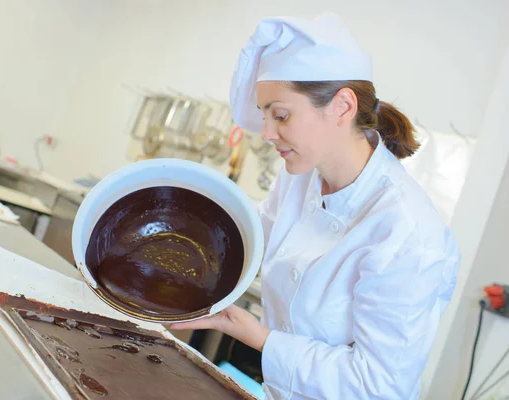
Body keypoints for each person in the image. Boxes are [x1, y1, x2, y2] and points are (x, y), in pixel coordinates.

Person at [171, 12, 461, 400]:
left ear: (342, 106)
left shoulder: (407, 232)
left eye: (282, 116)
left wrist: (261, 339)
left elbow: (379, 387)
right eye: (265, 117)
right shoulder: (299, 176)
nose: (268, 134)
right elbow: (254, 236)